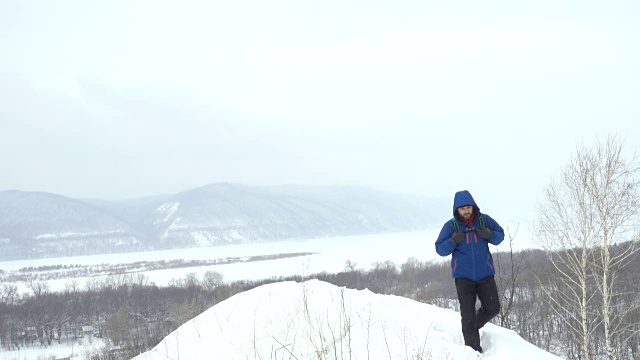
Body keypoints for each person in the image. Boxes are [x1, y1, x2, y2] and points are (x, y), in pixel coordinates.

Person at [435, 190, 504, 353]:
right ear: (456, 210)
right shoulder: (451, 226)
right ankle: (473, 352)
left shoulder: (484, 220)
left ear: (473, 207)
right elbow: (439, 249)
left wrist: (489, 234)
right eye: (462, 208)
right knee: (467, 314)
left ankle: (471, 328)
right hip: (463, 277)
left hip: (485, 274)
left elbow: (500, 235)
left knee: (493, 308)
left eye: (468, 207)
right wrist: (453, 241)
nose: (466, 211)